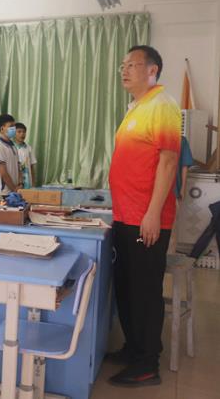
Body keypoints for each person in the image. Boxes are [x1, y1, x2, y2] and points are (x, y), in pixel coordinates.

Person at [108, 45, 181, 387]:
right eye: (123, 65)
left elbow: (168, 161)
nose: (125, 70)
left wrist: (152, 213)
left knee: (144, 291)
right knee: (126, 286)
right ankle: (134, 348)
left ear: (152, 70)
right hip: (126, 215)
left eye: (132, 65)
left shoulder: (163, 104)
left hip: (146, 218)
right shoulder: (136, 107)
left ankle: (148, 362)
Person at [169, 136, 194, 253]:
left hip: (174, 191)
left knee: (172, 228)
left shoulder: (181, 140)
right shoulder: (153, 137)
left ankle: (170, 256)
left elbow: (184, 165)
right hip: (151, 192)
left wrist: (183, 188)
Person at [0, 114, 22, 196]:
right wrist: (14, 189)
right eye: (11, 126)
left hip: (13, 192)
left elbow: (18, 167)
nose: (14, 129)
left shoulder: (13, 146)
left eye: (14, 126)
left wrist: (20, 184)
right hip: (3, 194)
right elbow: (4, 173)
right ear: (2, 129)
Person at [14, 122, 37, 188]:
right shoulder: (11, 148)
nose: (22, 134)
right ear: (13, 134)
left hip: (28, 183)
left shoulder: (29, 148)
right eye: (19, 132)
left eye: (24, 132)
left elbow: (32, 167)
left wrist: (33, 184)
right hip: (16, 183)